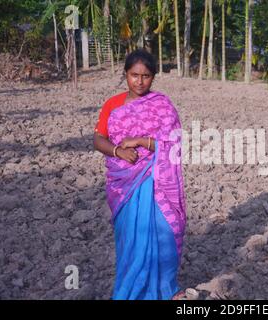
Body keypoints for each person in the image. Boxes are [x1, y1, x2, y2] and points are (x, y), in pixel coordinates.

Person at [93, 49, 187, 300]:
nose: (140, 81)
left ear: (153, 77)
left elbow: (174, 144)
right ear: (126, 74)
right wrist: (117, 151)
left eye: (146, 76)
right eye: (134, 75)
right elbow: (98, 139)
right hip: (124, 185)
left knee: (165, 232)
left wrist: (142, 141)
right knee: (131, 242)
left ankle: (166, 290)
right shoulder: (113, 104)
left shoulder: (162, 106)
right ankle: (130, 293)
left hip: (157, 182)